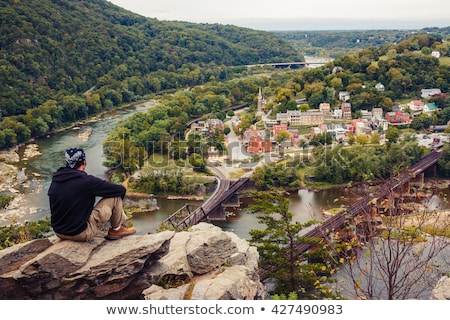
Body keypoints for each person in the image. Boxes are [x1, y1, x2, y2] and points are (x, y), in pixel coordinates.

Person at [48, 147, 136, 241]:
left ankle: (118, 227)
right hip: (81, 233)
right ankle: (116, 229)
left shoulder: (56, 179)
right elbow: (120, 190)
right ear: (84, 162)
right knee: (115, 197)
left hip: (59, 232)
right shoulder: (87, 181)